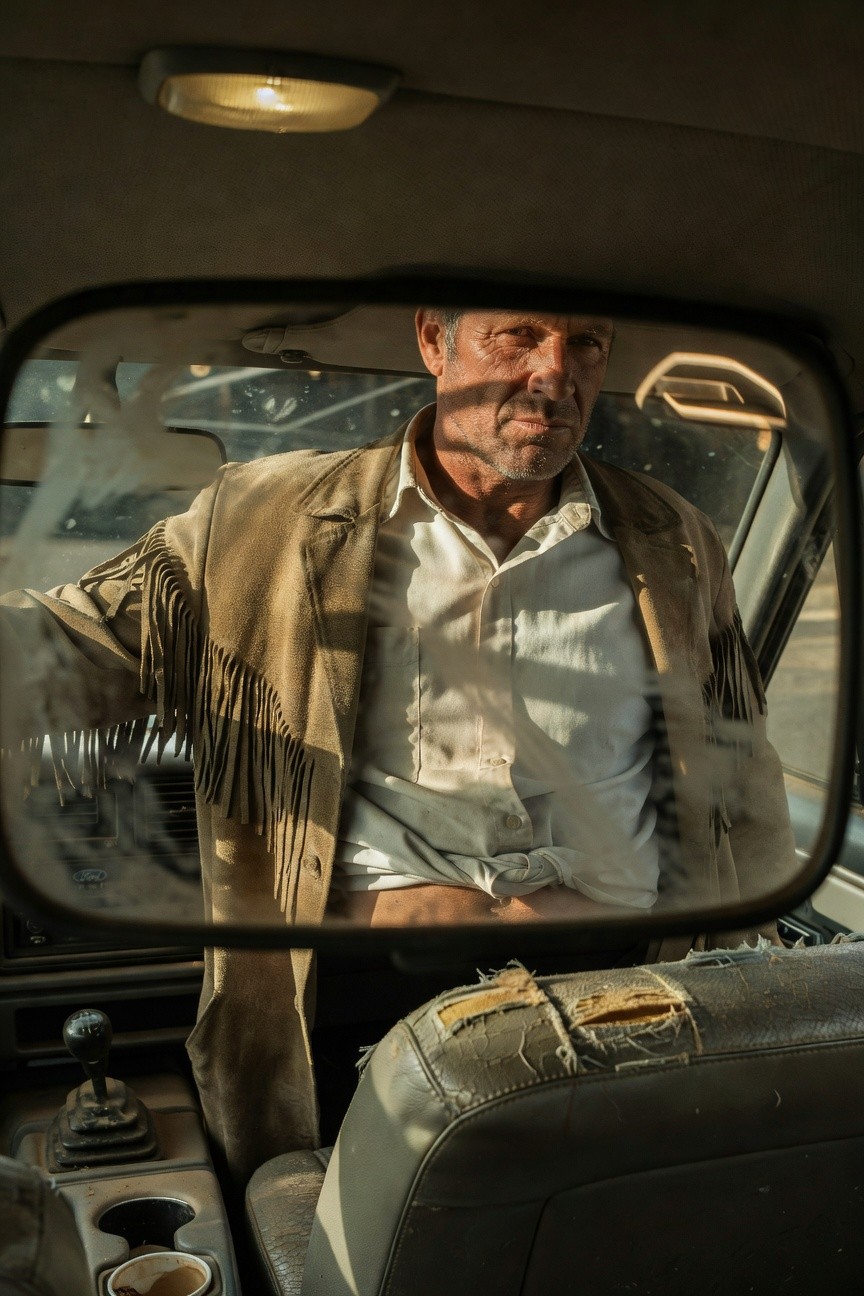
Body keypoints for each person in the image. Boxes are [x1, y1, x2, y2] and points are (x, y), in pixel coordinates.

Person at [0, 308, 795, 1184]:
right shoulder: (261, 521)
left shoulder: (673, 539)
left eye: (587, 343)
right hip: (347, 1003)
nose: (555, 372)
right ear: (432, 342)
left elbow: (740, 770)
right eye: (518, 336)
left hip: (617, 999)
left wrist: (752, 985)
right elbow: (62, 647)